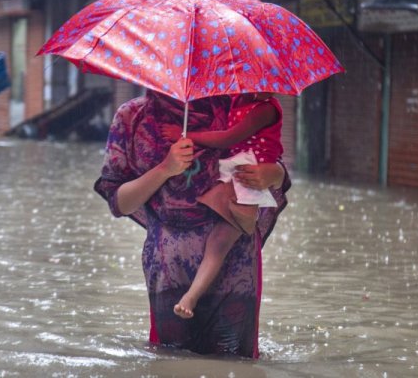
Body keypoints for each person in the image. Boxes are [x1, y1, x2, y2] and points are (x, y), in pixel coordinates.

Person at [94, 90, 291, 358]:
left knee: (234, 363)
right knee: (172, 361)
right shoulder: (132, 117)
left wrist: (274, 173)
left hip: (235, 261)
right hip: (168, 265)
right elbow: (120, 203)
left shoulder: (232, 105)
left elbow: (264, 157)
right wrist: (165, 168)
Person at [161, 92, 283, 319]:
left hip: (250, 174)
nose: (265, 88)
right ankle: (191, 295)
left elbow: (229, 138)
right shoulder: (236, 100)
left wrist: (186, 135)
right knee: (214, 239)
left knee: (219, 242)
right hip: (231, 169)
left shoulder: (266, 109)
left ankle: (191, 296)